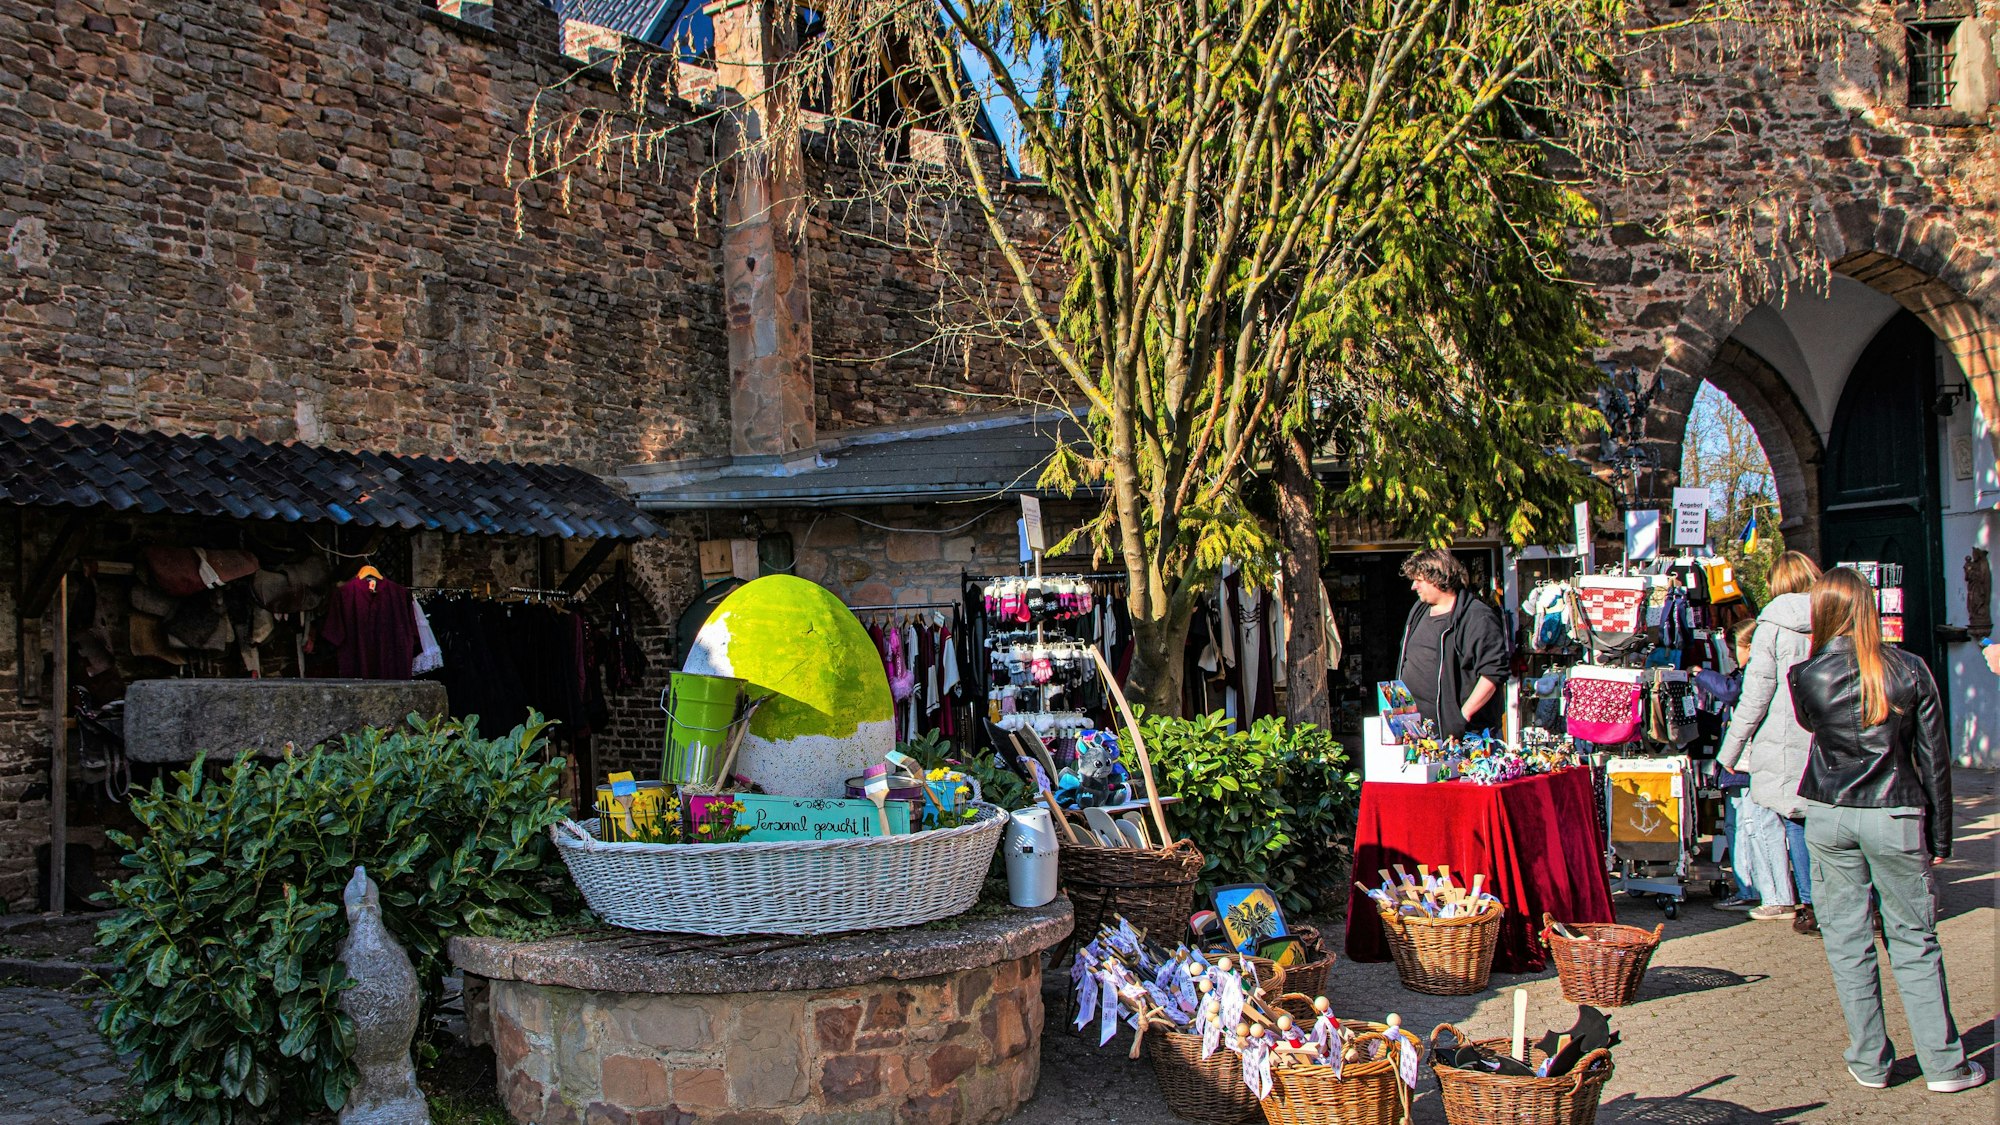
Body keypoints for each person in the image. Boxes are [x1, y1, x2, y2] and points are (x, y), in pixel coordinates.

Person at [1789, 566, 1983, 1094]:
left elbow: (1814, 727)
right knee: (1914, 939)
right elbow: (1933, 759)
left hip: (1829, 811)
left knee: (1848, 939)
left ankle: (1870, 1060)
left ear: (1823, 612)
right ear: (1868, 608)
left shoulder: (1806, 675)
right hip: (1894, 812)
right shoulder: (1910, 670)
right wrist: (1941, 836)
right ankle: (1943, 1065)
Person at [1717, 550, 1821, 931]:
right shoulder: (1834, 616)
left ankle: (1809, 903)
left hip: (1784, 733)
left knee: (1795, 818)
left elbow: (1756, 693)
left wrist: (1731, 750)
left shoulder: (1771, 625)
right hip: (1828, 733)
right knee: (1829, 820)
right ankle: (1838, 899)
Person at [1395, 549, 1507, 738]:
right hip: (1417, 731)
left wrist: (1462, 717)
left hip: (1462, 735)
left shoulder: (1477, 617)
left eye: (1418, 580)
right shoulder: (1419, 610)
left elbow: (1493, 673)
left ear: (1436, 578)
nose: (1413, 586)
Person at [1697, 618, 1760, 910]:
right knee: (1744, 826)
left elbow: (1730, 691)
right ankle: (1752, 888)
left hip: (1744, 765)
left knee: (1745, 827)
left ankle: (1750, 889)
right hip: (1743, 764)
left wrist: (1701, 674)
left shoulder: (1749, 676)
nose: (1732, 655)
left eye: (1735, 649)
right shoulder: (1750, 674)